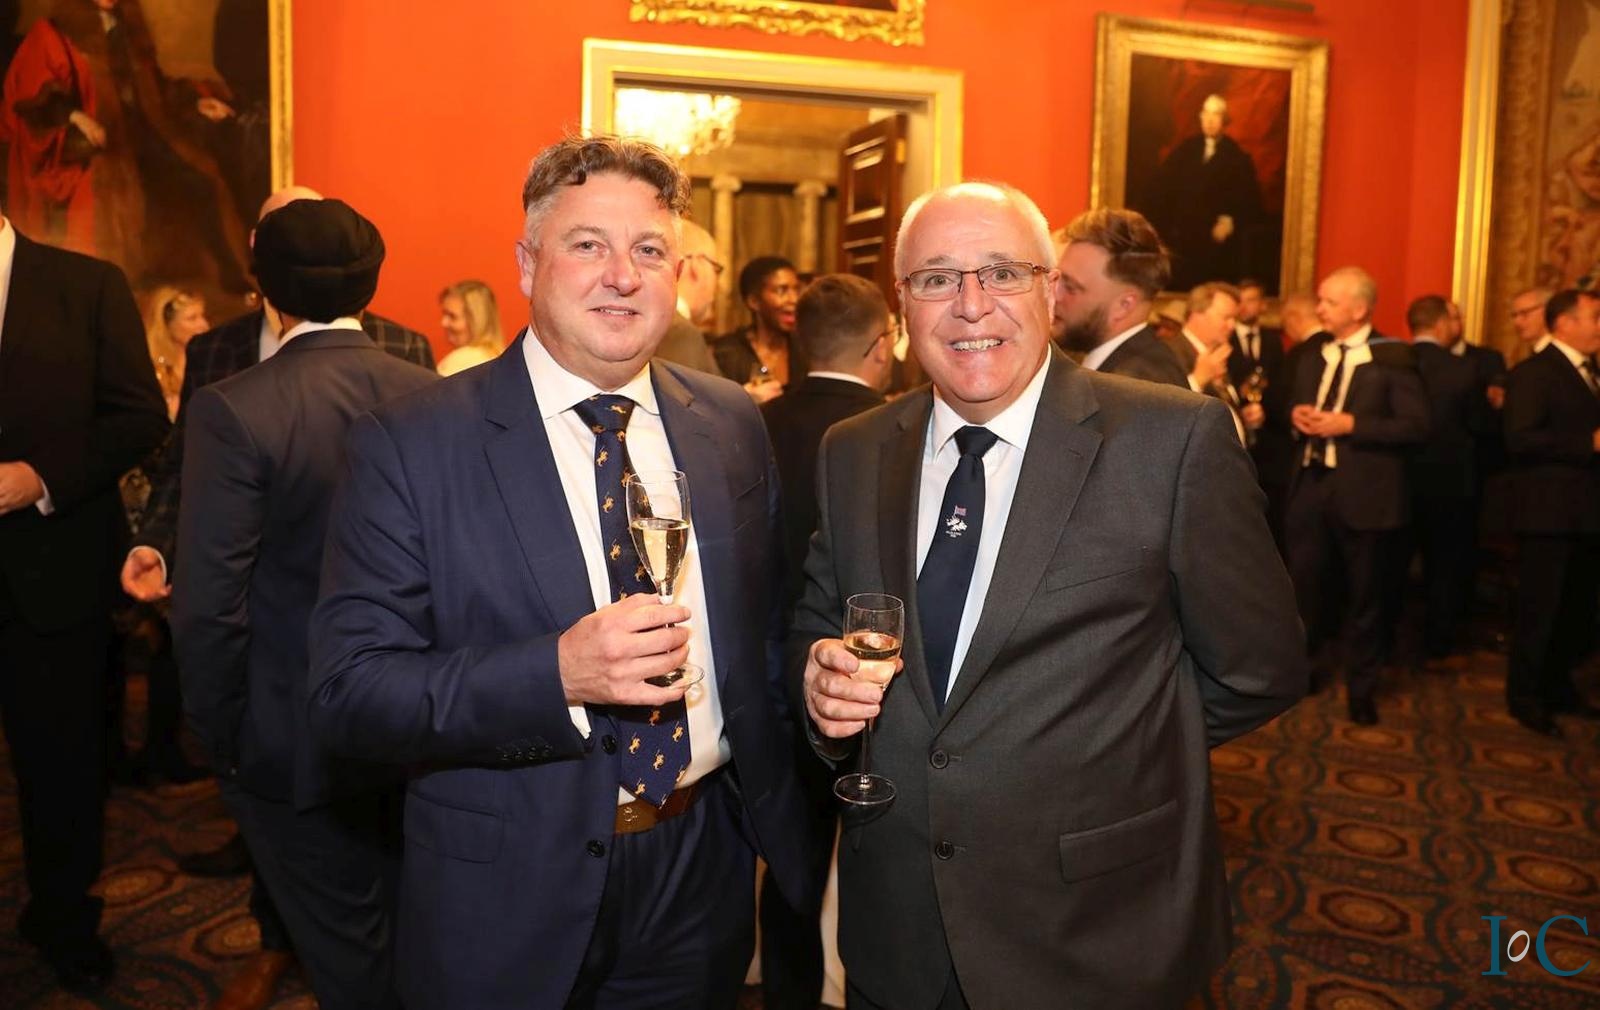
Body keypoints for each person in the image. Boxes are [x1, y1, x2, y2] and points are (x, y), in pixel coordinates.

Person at [306, 135, 816, 1010]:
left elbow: (763, 632)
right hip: (506, 888)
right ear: (526, 264)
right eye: (588, 245)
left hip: (702, 868)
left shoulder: (730, 421)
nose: (622, 275)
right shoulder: (412, 443)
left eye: (649, 250)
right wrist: (557, 674)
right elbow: (349, 695)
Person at [795, 181, 1305, 1008]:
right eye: (937, 278)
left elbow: (1260, 669)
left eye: (1002, 272)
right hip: (897, 921)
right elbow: (819, 621)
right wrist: (818, 685)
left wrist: (1108, 747)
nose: (971, 305)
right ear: (902, 303)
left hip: (1091, 927)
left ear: (1050, 289)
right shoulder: (853, 449)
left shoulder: (1172, 440)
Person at [118, 184, 433, 1010]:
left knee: (345, 954)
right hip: (417, 717)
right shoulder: (429, 392)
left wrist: (222, 733)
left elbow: (209, 604)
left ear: (266, 289)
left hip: (292, 730)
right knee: (414, 930)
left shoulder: (236, 407)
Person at [0, 205, 169, 993]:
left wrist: (39, 478)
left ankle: (64, 920)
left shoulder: (86, 285)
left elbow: (140, 416)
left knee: (61, 768)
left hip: (53, 573)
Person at [758, 272, 893, 1010]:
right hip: (875, 688)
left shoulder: (749, 423)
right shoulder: (901, 434)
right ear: (881, 346)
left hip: (764, 680)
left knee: (790, 862)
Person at [1283, 267, 1428, 726]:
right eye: (1320, 300)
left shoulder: (1394, 358)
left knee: (1366, 597)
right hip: (1311, 486)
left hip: (1367, 496)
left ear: (1359, 309)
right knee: (1303, 590)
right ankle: (1302, 674)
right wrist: (1296, 416)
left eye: (1329, 301)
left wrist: (1351, 425)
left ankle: (1361, 689)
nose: (1319, 308)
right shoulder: (1313, 355)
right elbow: (1291, 407)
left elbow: (1417, 426)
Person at [1502, 289, 1600, 736]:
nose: (1599, 326)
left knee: (1575, 610)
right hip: (1548, 514)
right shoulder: (1535, 373)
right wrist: (1587, 444)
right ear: (1564, 323)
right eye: (1595, 317)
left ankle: (1558, 686)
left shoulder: (1590, 372)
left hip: (1586, 513)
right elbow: (1520, 439)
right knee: (1540, 611)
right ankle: (1525, 696)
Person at [1407, 295, 1492, 661]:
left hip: (1398, 481)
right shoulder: (1464, 370)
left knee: (1388, 567)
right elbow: (1481, 426)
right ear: (1441, 325)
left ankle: (1393, 643)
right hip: (1451, 484)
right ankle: (1437, 644)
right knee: (1444, 567)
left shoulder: (1392, 362)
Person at [1051, 206, 1188, 387]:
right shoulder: (1121, 366)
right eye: (1055, 280)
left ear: (1124, 305)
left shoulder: (1136, 386)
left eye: (1070, 287)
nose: (1053, 295)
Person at [1142, 94, 1266, 289]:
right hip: (1182, 236)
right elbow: (1162, 187)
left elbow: (1249, 201)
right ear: (1200, 117)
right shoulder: (1186, 149)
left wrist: (1230, 220)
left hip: (1214, 243)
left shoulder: (1237, 157)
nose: (1209, 120)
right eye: (1206, 114)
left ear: (1224, 120)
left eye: (1215, 115)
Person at [1231, 278, 1294, 539]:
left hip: (1268, 436)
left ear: (1263, 305)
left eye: (1252, 300)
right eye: (1241, 300)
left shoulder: (1272, 340)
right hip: (1233, 428)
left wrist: (1265, 410)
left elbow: (1280, 383)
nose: (1246, 306)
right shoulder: (1225, 337)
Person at [712, 254, 800, 402]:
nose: (794, 299)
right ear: (754, 301)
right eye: (782, 290)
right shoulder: (726, 353)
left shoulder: (806, 350)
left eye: (796, 290)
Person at [655, 219, 720, 374]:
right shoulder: (680, 331)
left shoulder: (655, 322)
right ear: (697, 265)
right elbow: (677, 389)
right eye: (716, 269)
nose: (719, 284)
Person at [143, 285, 210, 419]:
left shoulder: (208, 360)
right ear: (167, 325)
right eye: (192, 318)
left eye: (202, 316)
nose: (204, 325)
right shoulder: (153, 369)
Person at [436, 279, 505, 377]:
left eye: (452, 316)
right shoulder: (504, 360)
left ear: (476, 321)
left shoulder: (460, 361)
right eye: (445, 314)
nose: (444, 323)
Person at [1509, 286, 1554, 363]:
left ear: (1547, 310)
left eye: (1524, 313)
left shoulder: (1557, 356)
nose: (1517, 322)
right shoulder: (1535, 354)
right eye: (1514, 315)